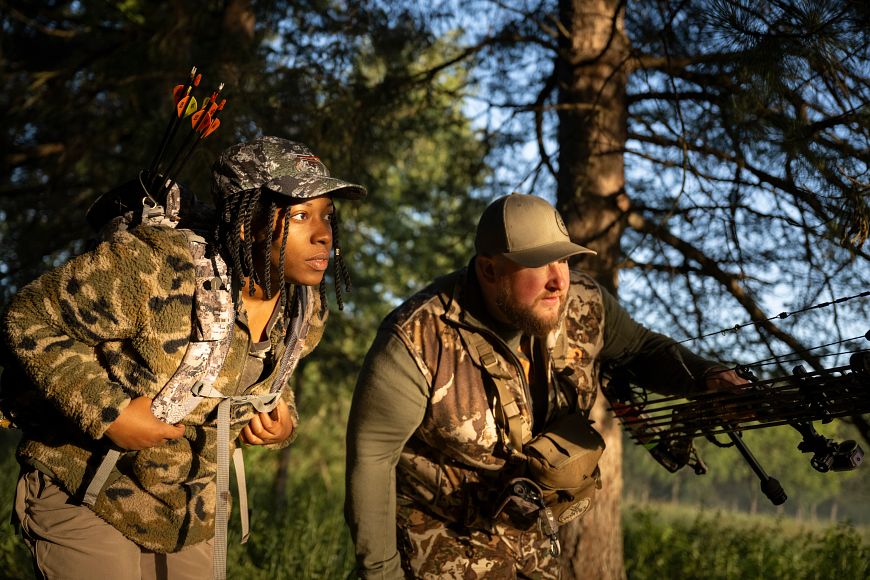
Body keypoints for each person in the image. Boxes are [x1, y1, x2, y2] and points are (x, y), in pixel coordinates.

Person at [0, 136, 366, 579]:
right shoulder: (157, 266)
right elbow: (30, 316)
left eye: (327, 214)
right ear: (246, 223)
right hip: (85, 483)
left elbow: (251, 371)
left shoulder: (305, 308)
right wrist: (110, 413)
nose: (324, 233)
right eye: (301, 215)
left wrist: (281, 417)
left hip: (188, 513)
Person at [344, 192, 745, 579]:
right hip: (437, 545)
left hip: (533, 546)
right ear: (489, 271)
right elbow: (372, 459)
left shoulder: (583, 302)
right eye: (539, 263)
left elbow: (640, 348)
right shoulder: (418, 337)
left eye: (564, 259)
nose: (559, 281)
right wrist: (381, 574)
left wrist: (707, 376)